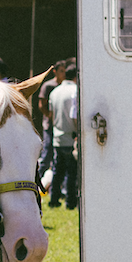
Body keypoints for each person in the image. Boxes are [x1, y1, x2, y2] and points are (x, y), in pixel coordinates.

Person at [47, 62, 80, 210]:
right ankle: (70, 202)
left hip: (57, 137)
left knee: (57, 172)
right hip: (71, 137)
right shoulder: (75, 90)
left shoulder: (54, 92)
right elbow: (75, 116)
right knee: (72, 173)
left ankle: (53, 200)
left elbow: (51, 115)